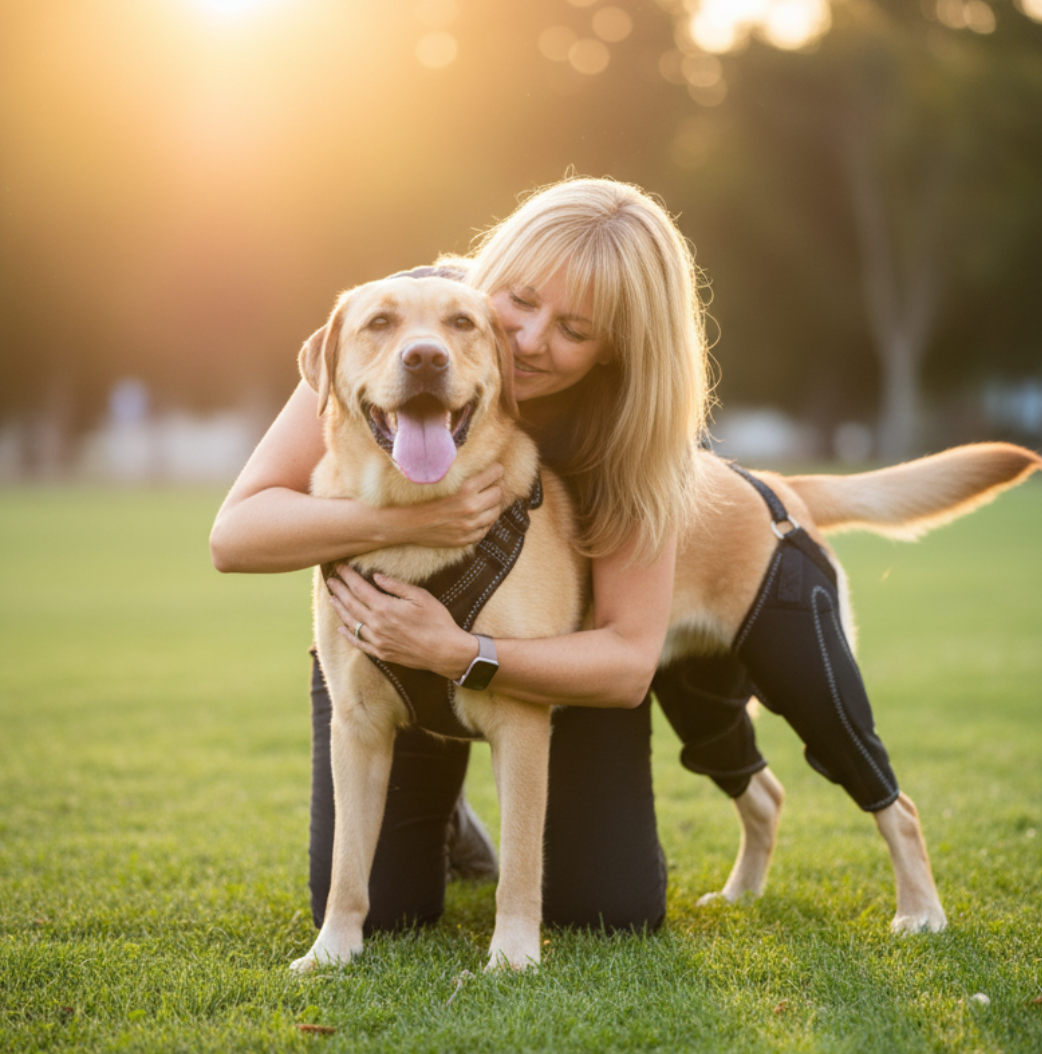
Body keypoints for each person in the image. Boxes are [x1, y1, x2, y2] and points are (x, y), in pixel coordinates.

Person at [209, 176, 712, 934]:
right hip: (384, 657)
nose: (530, 340)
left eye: (575, 329)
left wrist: (461, 652)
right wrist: (408, 522)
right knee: (387, 916)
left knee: (609, 910)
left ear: (619, 349)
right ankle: (448, 819)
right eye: (520, 298)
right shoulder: (402, 320)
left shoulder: (634, 429)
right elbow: (236, 534)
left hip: (558, 673)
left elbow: (627, 661)